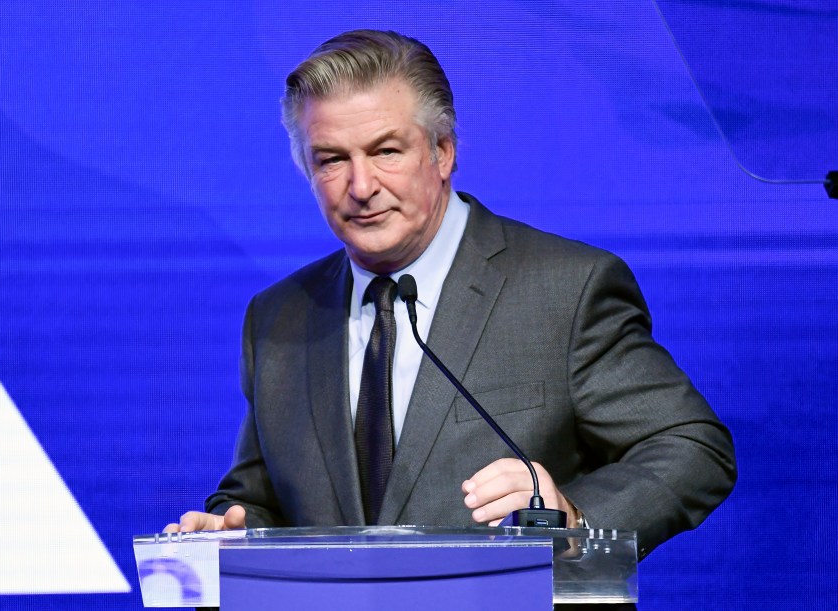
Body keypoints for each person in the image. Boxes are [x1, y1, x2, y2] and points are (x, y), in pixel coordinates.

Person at [165, 29, 736, 563]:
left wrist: (574, 518)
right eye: (332, 159)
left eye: (386, 150)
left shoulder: (565, 289)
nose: (361, 188)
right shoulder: (278, 316)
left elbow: (691, 447)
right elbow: (258, 495)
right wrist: (232, 531)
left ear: (442, 151)